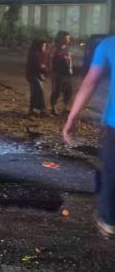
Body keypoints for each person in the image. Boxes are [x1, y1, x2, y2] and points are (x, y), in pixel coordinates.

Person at [62, 35, 115, 238]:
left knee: (111, 172)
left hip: (114, 124)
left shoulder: (109, 45)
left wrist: (72, 119)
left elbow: (89, 83)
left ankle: (110, 222)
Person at [50, 31, 74, 116]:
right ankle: (53, 108)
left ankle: (65, 108)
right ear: (62, 38)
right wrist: (51, 71)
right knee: (56, 91)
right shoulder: (54, 48)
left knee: (68, 91)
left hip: (66, 73)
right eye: (67, 38)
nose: (68, 39)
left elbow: (69, 58)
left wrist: (70, 68)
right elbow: (50, 60)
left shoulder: (66, 48)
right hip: (57, 73)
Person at [25, 39, 50, 117]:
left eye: (45, 46)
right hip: (33, 75)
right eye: (43, 46)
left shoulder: (42, 54)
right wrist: (44, 68)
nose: (44, 47)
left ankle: (34, 110)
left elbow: (44, 65)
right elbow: (39, 66)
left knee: (36, 92)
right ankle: (41, 109)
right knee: (39, 91)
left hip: (37, 75)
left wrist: (44, 68)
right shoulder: (35, 54)